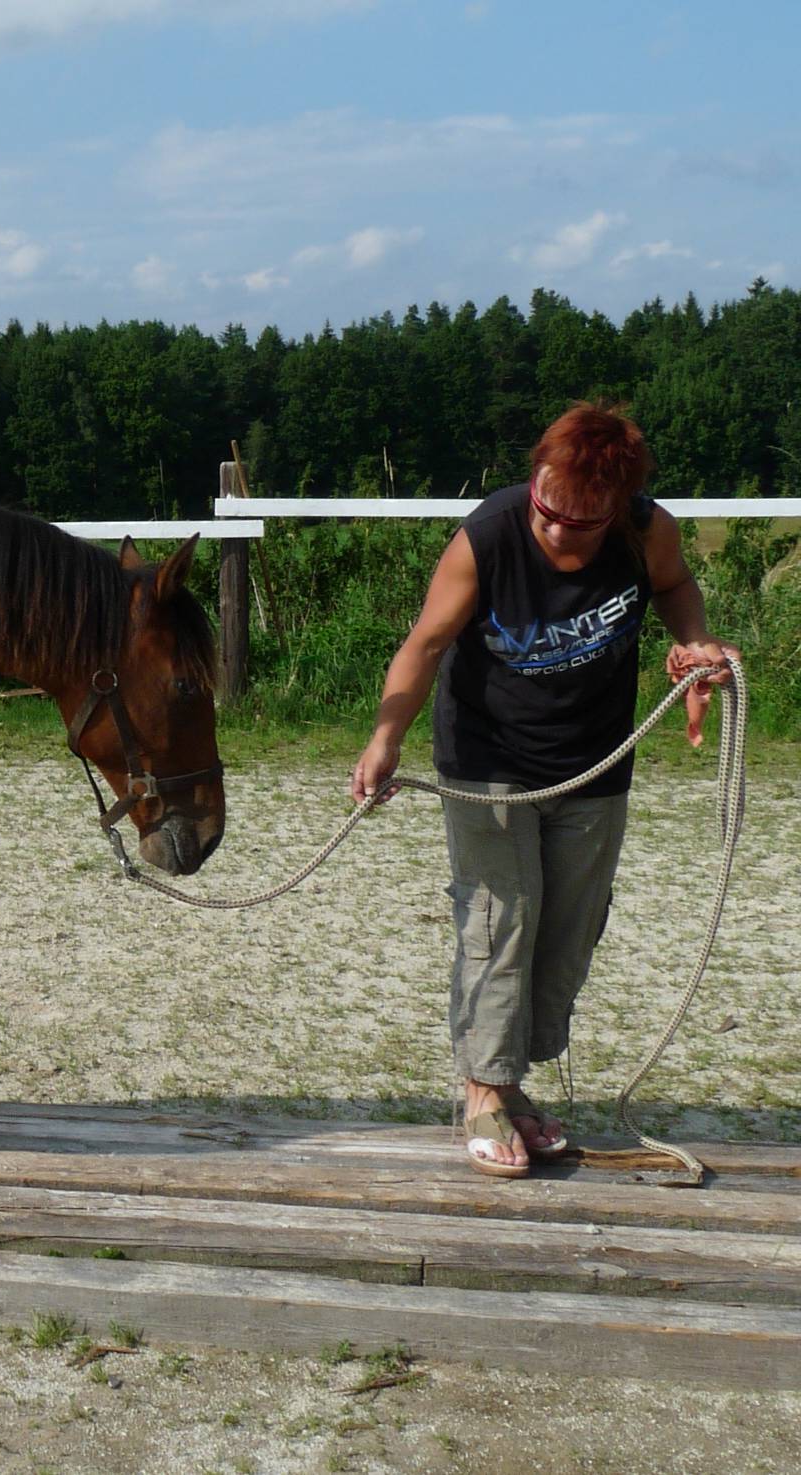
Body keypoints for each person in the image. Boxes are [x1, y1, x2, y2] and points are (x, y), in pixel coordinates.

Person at [351, 403, 739, 1178]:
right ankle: (483, 1088)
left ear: (617, 505)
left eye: (580, 522)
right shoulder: (488, 536)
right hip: (489, 756)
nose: (557, 531)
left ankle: (513, 1082)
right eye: (547, 509)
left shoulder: (644, 529)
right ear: (537, 481)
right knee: (501, 920)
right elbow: (425, 643)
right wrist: (385, 738)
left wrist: (693, 642)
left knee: (568, 929)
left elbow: (676, 585)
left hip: (595, 763)